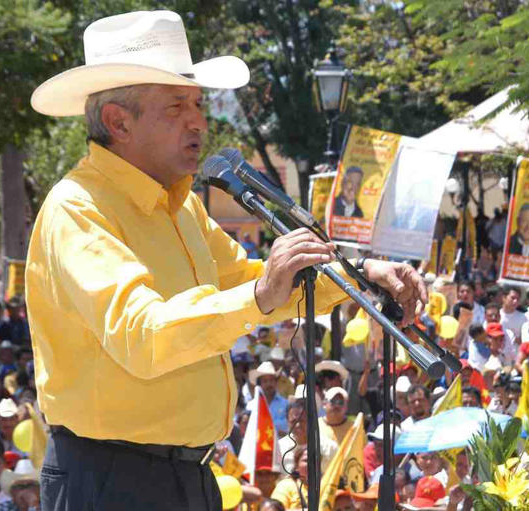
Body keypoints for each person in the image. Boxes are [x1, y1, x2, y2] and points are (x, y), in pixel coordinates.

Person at [27, 10, 427, 511]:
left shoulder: (183, 205)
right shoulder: (78, 208)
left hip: (188, 476)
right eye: (177, 106)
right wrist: (260, 294)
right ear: (117, 121)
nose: (199, 119)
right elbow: (143, 334)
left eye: (198, 102)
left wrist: (364, 276)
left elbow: (259, 282)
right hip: (110, 481)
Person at [246, 361, 289, 435]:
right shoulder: (251, 406)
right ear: (259, 384)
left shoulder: (285, 404)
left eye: (271, 380)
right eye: (265, 381)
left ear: (276, 382)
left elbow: (288, 427)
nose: (269, 384)